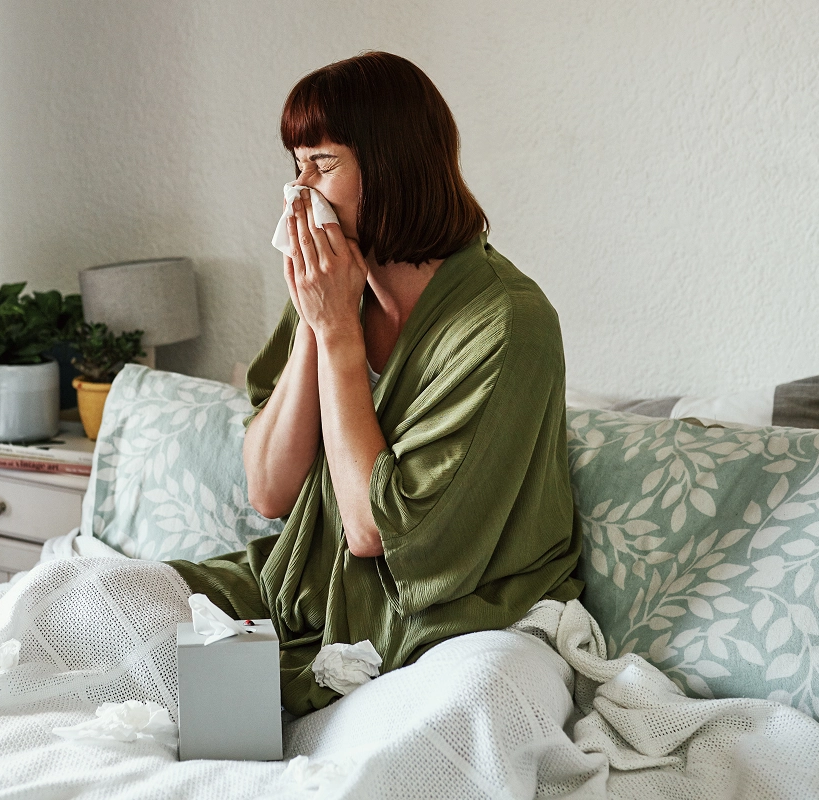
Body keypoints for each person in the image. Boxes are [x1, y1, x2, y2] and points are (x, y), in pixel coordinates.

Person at [168, 51, 583, 717]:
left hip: (453, 619)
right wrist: (316, 317)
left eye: (321, 164)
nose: (297, 192)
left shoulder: (508, 323)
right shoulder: (334, 290)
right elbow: (269, 491)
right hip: (302, 589)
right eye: (294, 165)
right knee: (83, 597)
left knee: (457, 720)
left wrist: (337, 332)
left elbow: (373, 532)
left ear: (392, 166)